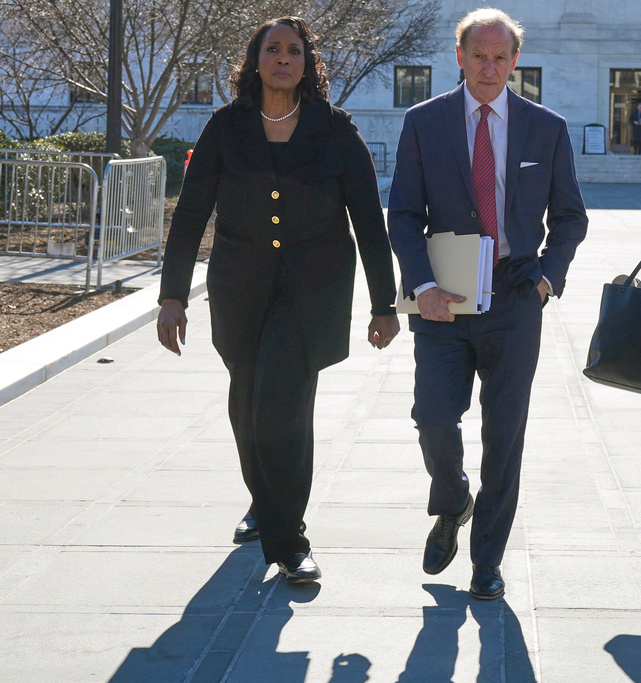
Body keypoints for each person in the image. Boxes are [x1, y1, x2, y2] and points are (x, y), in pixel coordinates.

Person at [156, 17, 400, 583]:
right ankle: (264, 504)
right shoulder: (225, 128)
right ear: (255, 59)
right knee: (246, 407)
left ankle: (290, 541)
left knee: (281, 409)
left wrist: (383, 304)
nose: (283, 58)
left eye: (294, 50)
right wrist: (172, 297)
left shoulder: (336, 130)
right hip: (239, 289)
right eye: (273, 49)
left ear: (307, 62)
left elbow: (368, 220)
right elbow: (191, 215)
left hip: (312, 293)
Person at [388, 8, 588, 600]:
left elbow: (571, 217)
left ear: (515, 62)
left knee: (505, 435)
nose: (490, 67)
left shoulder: (545, 127)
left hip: (516, 299)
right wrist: (421, 286)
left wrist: (550, 277)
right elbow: (402, 212)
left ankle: (487, 561)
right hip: (443, 300)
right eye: (479, 55)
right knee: (432, 416)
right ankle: (452, 503)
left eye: (501, 57)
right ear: (459, 56)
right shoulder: (424, 122)